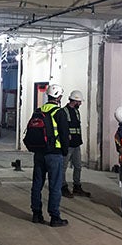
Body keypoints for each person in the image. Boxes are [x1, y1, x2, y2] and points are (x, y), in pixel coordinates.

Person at [30, 84, 70, 227]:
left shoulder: (38, 111)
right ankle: (54, 217)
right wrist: (64, 151)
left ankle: (36, 214)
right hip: (54, 154)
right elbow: (65, 135)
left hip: (39, 153)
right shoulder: (59, 113)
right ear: (58, 97)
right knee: (55, 186)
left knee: (37, 184)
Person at [61, 90, 91, 198]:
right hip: (68, 145)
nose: (81, 104)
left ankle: (77, 186)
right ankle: (63, 187)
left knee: (78, 166)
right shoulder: (64, 111)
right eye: (79, 101)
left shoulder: (76, 112)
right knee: (63, 167)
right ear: (75, 101)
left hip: (76, 143)